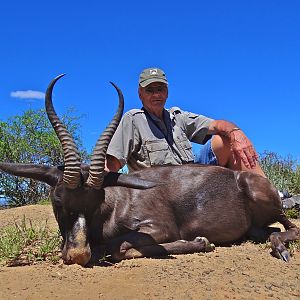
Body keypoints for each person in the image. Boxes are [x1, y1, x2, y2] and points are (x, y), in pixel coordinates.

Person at [106, 67, 266, 177]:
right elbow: (111, 166)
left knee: (225, 139)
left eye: (160, 89)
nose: (156, 95)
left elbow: (217, 125)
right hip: (159, 194)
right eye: (150, 90)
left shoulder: (177, 116)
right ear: (140, 94)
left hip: (192, 181)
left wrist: (236, 133)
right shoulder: (133, 119)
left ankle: (271, 198)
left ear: (167, 92)